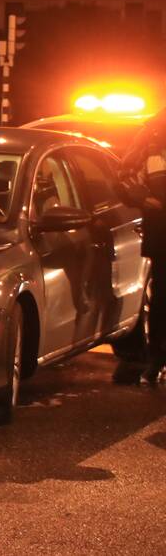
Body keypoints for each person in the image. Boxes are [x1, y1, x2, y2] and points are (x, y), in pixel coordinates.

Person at [118, 109, 166, 385]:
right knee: (162, 298)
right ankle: (158, 357)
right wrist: (145, 198)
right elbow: (124, 175)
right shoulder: (151, 136)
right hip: (163, 233)